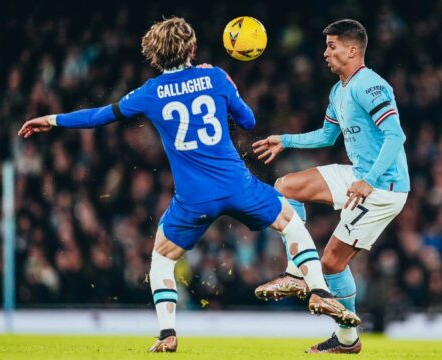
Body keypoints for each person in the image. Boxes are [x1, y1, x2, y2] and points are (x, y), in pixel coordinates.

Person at [18, 17, 359, 353]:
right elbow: (249, 121)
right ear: (191, 48)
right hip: (237, 185)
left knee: (162, 259)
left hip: (193, 199)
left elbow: (100, 116)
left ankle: (167, 332)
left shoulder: (149, 92)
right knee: (292, 224)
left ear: (154, 55)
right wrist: (229, 86)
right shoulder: (215, 76)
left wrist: (52, 119)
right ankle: (318, 290)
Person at [252, 19, 409, 354]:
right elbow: (326, 136)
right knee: (286, 186)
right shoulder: (338, 89)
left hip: (384, 186)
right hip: (358, 174)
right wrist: (286, 140)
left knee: (332, 264)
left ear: (352, 50)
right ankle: (295, 272)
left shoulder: (370, 85)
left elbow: (396, 135)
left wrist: (369, 180)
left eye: (332, 46)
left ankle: (347, 340)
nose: (325, 53)